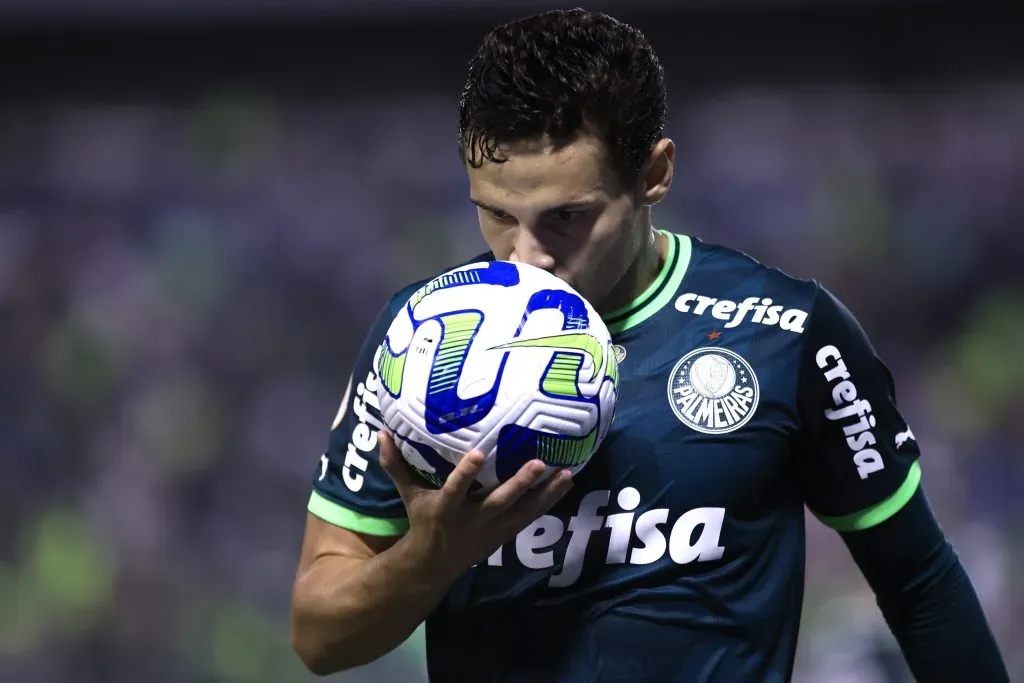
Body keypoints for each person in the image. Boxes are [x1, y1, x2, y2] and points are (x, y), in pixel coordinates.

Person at [290, 9, 1008, 682]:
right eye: (497, 215)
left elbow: (919, 583)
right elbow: (319, 637)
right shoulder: (422, 343)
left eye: (566, 217)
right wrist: (431, 557)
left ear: (654, 174)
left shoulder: (789, 332)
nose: (526, 258)